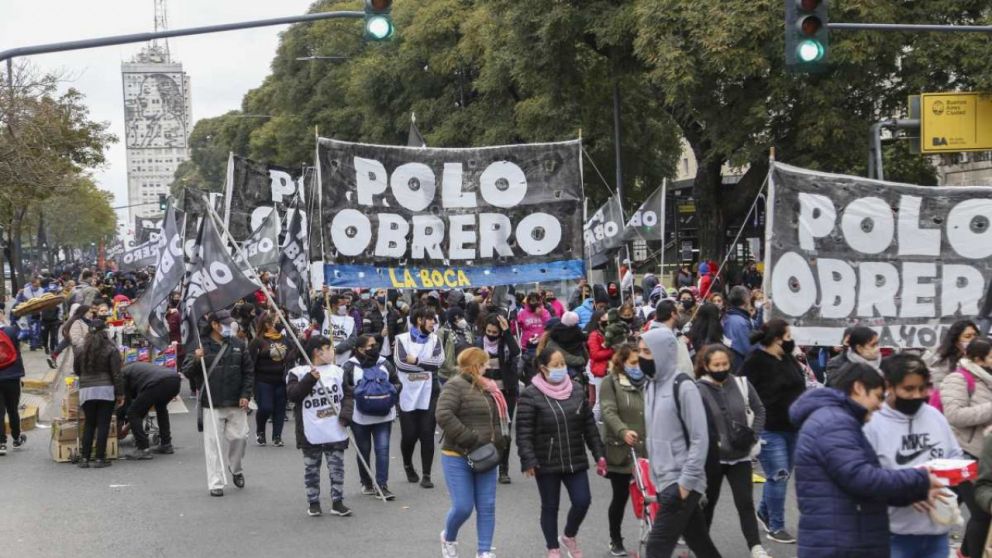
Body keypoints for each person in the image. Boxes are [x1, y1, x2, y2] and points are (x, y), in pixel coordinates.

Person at [790, 362, 944, 558]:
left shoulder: (834, 418)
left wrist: (913, 493)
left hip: (844, 538)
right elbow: (861, 478)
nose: (880, 405)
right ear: (859, 388)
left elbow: (862, 486)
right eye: (879, 396)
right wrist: (920, 478)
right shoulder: (834, 422)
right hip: (841, 544)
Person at [864, 353, 963, 558]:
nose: (917, 395)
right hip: (892, 535)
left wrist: (944, 482)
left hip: (937, 534)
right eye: (908, 389)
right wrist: (908, 491)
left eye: (923, 388)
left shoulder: (935, 416)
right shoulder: (872, 423)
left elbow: (956, 457)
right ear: (889, 386)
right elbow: (864, 479)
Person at [639, 312, 721, 558]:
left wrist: (686, 483)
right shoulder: (650, 386)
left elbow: (700, 438)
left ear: (663, 352)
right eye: (640, 351)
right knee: (700, 543)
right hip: (664, 479)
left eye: (646, 352)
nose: (641, 358)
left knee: (656, 547)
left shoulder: (683, 386)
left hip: (682, 481)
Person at [517, 348, 605, 558]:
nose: (561, 368)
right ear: (543, 368)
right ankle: (552, 548)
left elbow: (589, 426)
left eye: (562, 364)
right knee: (550, 506)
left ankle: (569, 535)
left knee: (582, 500)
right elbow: (524, 430)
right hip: (546, 461)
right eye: (556, 365)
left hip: (575, 457)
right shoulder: (531, 394)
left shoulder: (575, 389)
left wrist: (599, 454)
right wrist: (528, 459)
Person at [695, 345, 770, 558]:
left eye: (725, 364)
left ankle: (756, 547)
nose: (721, 368)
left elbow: (759, 410)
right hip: (713, 459)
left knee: (745, 502)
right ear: (706, 366)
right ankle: (702, 548)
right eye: (716, 365)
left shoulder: (742, 384)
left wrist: (753, 435)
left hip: (741, 456)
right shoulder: (698, 389)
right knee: (708, 504)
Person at [436, 347, 510, 558]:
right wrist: (470, 439)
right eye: (485, 363)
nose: (488, 367)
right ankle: (448, 538)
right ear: (476, 365)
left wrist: (500, 443)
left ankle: (484, 551)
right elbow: (443, 414)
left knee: (487, 506)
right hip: (457, 455)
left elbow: (495, 418)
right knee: (463, 506)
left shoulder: (489, 387)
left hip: (486, 455)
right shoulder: (455, 385)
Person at [740, 318, 806, 544]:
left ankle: (763, 513)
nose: (791, 341)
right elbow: (741, 389)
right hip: (769, 428)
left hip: (792, 427)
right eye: (788, 337)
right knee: (778, 475)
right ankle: (776, 526)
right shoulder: (756, 360)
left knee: (781, 477)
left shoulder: (788, 358)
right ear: (777, 339)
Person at [182, 310, 254, 497]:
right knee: (213, 445)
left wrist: (246, 394)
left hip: (236, 401)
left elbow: (248, 372)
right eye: (226, 324)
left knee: (240, 438)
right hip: (211, 403)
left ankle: (235, 468)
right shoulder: (200, 345)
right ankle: (216, 482)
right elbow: (187, 371)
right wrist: (197, 359)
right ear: (214, 324)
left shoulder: (239, 344)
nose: (230, 327)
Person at [287, 335, 354, 517]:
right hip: (311, 430)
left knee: (337, 467)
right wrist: (310, 379)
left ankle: (338, 501)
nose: (333, 352)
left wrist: (346, 414)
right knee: (311, 469)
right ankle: (313, 502)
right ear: (317, 352)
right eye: (329, 348)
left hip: (335, 428)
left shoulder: (338, 371)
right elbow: (293, 395)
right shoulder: (298, 372)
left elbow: (348, 395)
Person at [939, 337, 992, 556]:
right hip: (966, 454)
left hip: (987, 454)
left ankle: (964, 552)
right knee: (981, 513)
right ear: (979, 358)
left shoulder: (989, 379)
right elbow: (954, 415)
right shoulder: (958, 379)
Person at [598, 343, 647, 556]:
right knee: (620, 498)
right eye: (633, 363)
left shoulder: (650, 382)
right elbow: (608, 411)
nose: (638, 367)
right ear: (622, 362)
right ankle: (615, 539)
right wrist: (622, 430)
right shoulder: (611, 382)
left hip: (648, 449)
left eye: (640, 362)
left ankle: (653, 537)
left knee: (651, 497)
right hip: (622, 448)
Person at [342, 334, 400, 500]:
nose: (375, 347)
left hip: (384, 415)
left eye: (375, 345)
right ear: (360, 349)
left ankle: (382, 485)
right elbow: (344, 388)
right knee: (364, 450)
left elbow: (397, 382)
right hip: (360, 417)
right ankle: (367, 482)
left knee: (382, 450)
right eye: (370, 345)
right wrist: (362, 393)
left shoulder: (384, 363)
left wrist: (390, 394)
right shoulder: (349, 366)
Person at [395, 306, 445, 489]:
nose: (434, 322)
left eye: (434, 319)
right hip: (407, 392)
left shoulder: (435, 340)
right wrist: (426, 366)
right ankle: (408, 464)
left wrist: (416, 361)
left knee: (427, 433)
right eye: (430, 319)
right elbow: (401, 363)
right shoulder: (402, 339)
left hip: (430, 392)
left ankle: (426, 474)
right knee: (409, 435)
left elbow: (438, 362)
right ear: (419, 320)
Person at [477, 314, 521, 484]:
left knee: (504, 432)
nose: (491, 334)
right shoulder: (479, 343)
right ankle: (486, 465)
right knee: (486, 431)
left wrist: (507, 332)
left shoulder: (506, 343)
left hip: (506, 393)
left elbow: (516, 352)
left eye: (495, 332)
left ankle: (504, 469)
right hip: (485, 392)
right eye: (488, 331)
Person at [74, 320, 124, 468]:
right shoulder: (111, 348)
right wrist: (120, 393)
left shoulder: (80, 348)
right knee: (103, 424)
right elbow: (117, 373)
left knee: (89, 423)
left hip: (86, 390)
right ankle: (100, 458)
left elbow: (77, 370)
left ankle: (84, 458)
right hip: (105, 390)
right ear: (105, 331)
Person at [248, 313, 293, 447]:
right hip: (263, 380)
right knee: (266, 407)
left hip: (280, 380)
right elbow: (250, 362)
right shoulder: (257, 341)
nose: (279, 325)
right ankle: (260, 431)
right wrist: (250, 385)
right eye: (276, 322)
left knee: (280, 409)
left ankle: (277, 436)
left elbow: (293, 354)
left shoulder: (285, 340)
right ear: (267, 324)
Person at [121, 362, 181, 459]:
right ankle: (166, 444)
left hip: (157, 382)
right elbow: (143, 407)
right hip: (174, 379)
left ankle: (142, 448)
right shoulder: (138, 369)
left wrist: (125, 427)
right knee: (161, 408)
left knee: (132, 413)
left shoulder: (123, 373)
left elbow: (128, 406)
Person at [538, 312, 589, 384]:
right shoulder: (575, 332)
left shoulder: (555, 334)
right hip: (572, 363)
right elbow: (566, 357)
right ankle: (579, 373)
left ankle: (576, 374)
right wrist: (581, 359)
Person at [0, 317, 27, 455]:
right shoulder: (11, 330)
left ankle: (1, 443)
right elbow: (24, 335)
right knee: (12, 409)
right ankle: (16, 438)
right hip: (12, 376)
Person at [926, 320, 978, 387]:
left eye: (976, 336)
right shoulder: (942, 361)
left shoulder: (985, 357)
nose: (973, 339)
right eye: (968, 337)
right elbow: (939, 386)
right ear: (956, 342)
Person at [723, 286, 757, 372]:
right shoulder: (739, 322)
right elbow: (747, 349)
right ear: (745, 299)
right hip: (740, 367)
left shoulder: (730, 317)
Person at [438, 307, 475, 382]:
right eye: (459, 318)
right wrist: (453, 368)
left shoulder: (467, 329)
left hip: (466, 373)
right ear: (454, 319)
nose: (462, 320)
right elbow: (438, 354)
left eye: (461, 317)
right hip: (448, 375)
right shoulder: (443, 332)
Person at [321, 294, 358, 366]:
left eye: (345, 304)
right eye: (342, 304)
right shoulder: (325, 316)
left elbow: (353, 339)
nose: (345, 307)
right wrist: (323, 294)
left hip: (343, 361)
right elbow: (314, 310)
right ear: (334, 305)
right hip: (326, 359)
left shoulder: (349, 320)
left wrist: (336, 349)